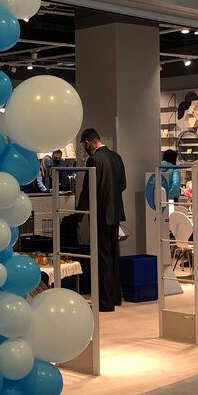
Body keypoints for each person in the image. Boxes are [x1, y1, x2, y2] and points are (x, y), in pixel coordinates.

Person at [76, 128, 126, 312]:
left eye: (84, 146)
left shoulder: (94, 160)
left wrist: (78, 214)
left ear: (88, 143)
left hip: (100, 213)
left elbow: (88, 190)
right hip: (116, 213)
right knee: (113, 254)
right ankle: (116, 296)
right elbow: (123, 184)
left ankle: (105, 302)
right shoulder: (116, 157)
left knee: (102, 256)